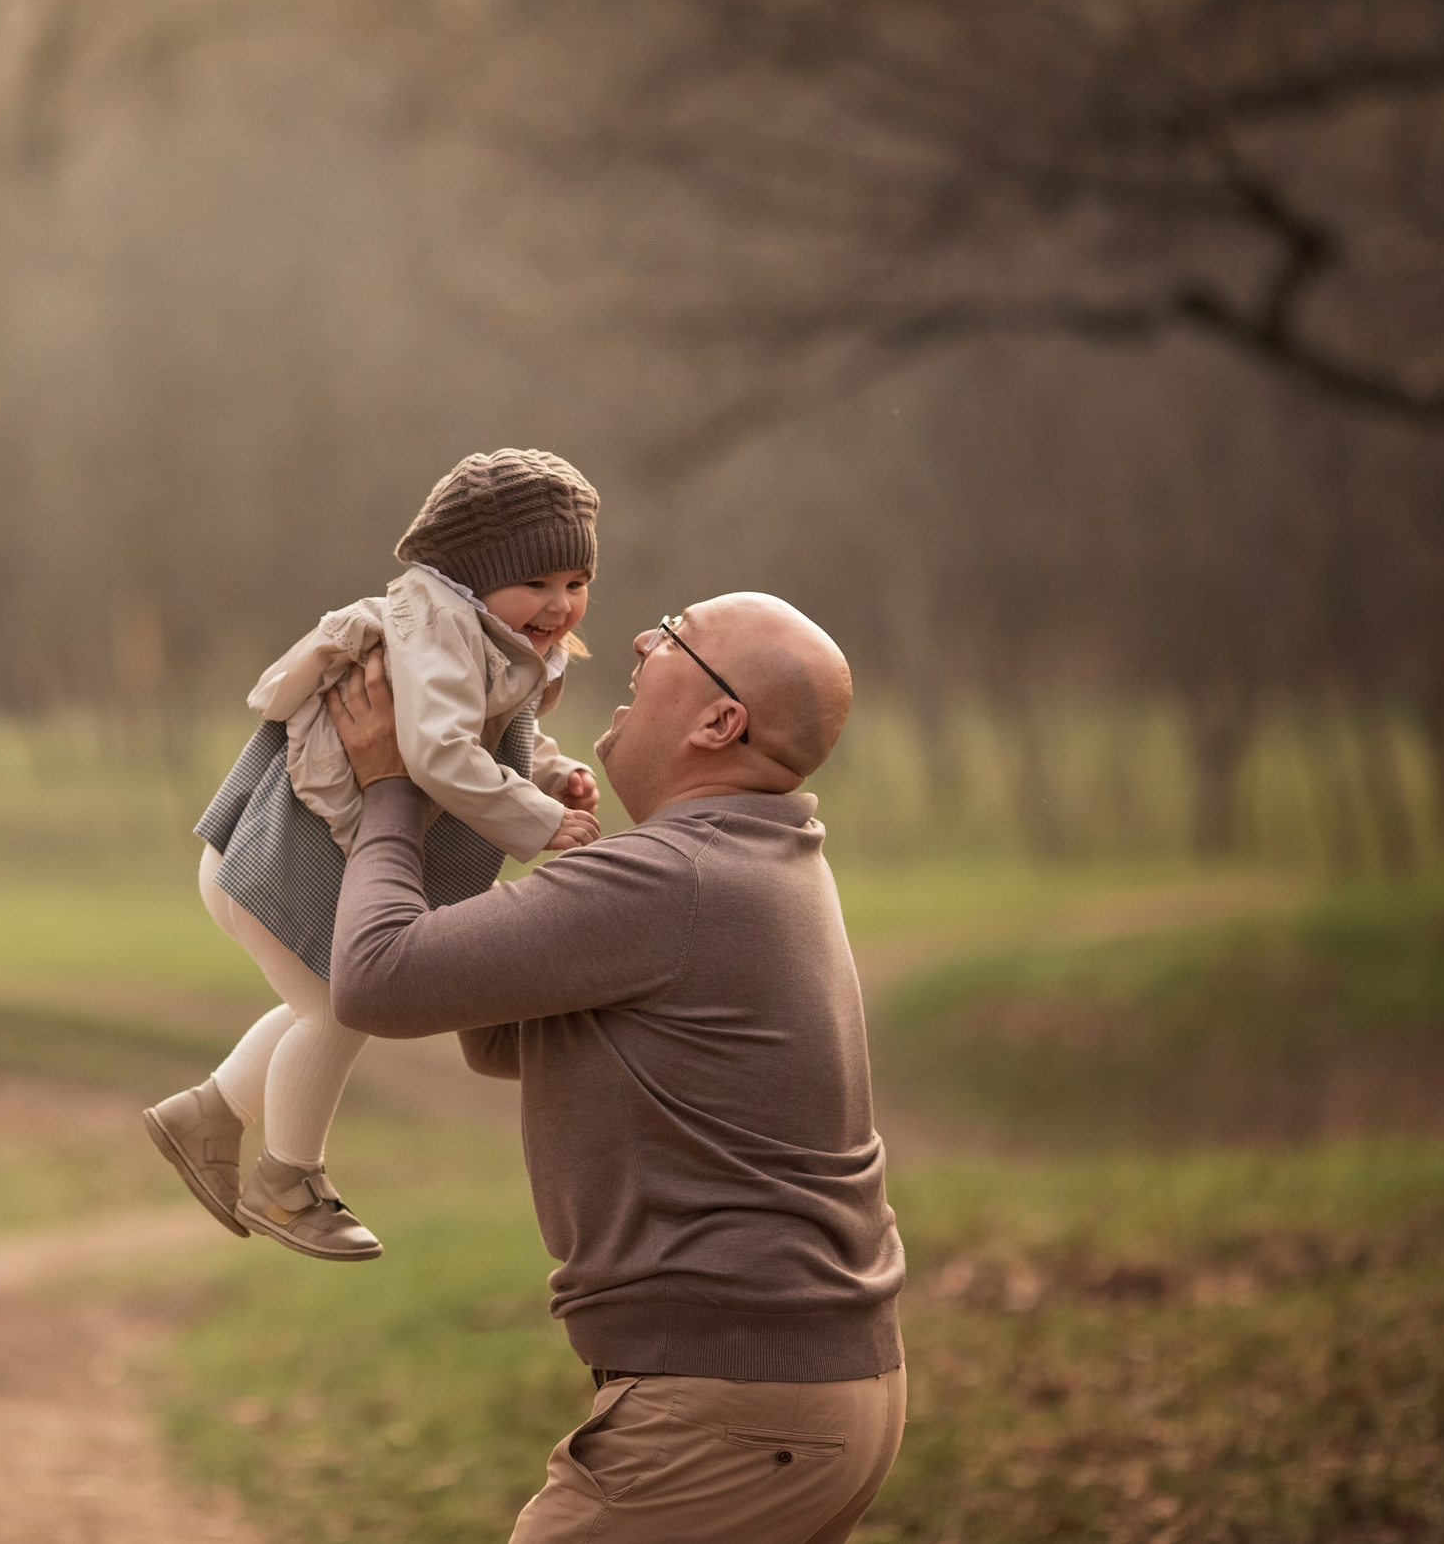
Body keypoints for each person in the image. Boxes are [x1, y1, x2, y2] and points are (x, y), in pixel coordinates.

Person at [324, 593, 907, 1544]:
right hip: (811, 1397)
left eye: (677, 633)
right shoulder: (756, 855)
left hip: (734, 1409)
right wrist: (488, 806)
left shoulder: (674, 876)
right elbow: (499, 1032)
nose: (641, 637)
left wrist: (390, 786)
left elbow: (377, 978)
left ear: (720, 721)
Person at [145, 449, 607, 1261]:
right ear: (472, 574)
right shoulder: (440, 629)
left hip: (276, 860)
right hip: (273, 862)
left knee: (319, 1005)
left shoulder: (483, 634)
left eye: (576, 582)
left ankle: (207, 1114)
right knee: (342, 1008)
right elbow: (436, 750)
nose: (559, 603)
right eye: (536, 581)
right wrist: (538, 820)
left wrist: (548, 773)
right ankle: (288, 1180)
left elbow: (483, 732)